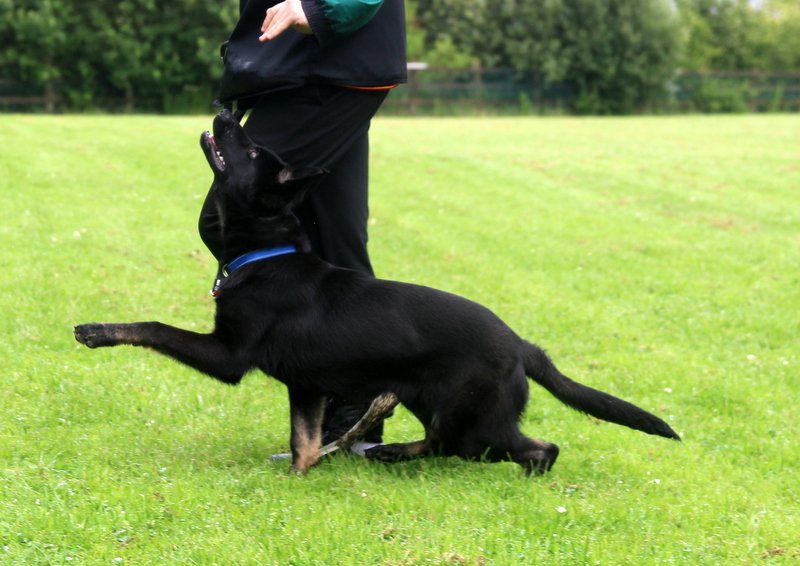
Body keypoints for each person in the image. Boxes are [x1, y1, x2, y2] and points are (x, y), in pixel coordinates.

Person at [198, 0, 407, 449]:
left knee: (235, 216)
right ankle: (361, 407)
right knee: (336, 239)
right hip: (326, 67)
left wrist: (318, 10)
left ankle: (346, 383)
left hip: (326, 63)